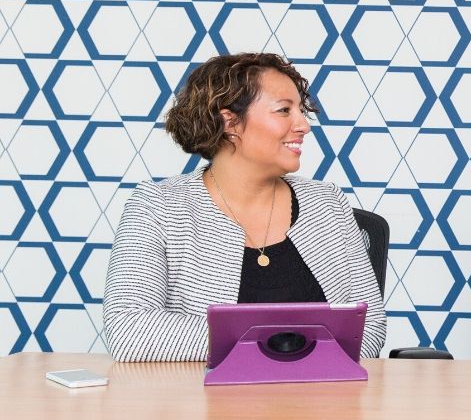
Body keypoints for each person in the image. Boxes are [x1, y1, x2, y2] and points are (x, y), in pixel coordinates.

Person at [103, 53, 386, 362]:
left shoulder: (328, 203)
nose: (303, 125)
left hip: (321, 403)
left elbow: (368, 328)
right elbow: (127, 330)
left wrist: (249, 340)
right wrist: (281, 342)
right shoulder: (158, 207)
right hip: (202, 407)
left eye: (300, 111)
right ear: (230, 122)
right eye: (284, 111)